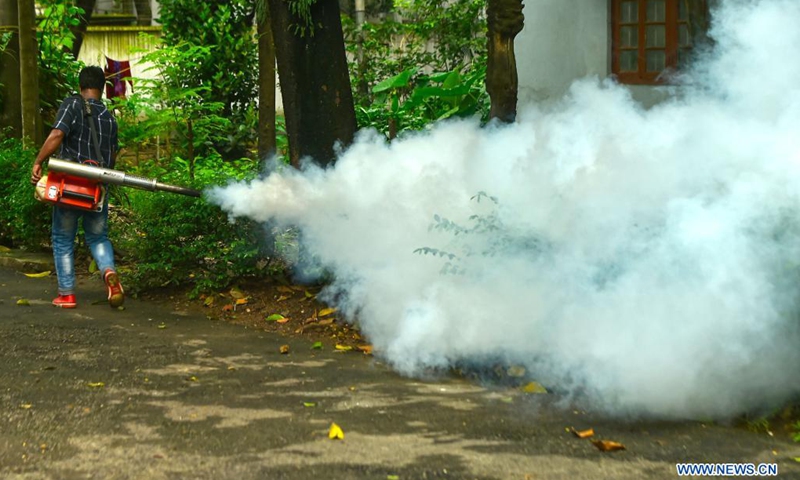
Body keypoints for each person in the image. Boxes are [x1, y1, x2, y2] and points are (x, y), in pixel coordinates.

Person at [30, 66, 124, 309]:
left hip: (69, 186)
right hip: (97, 189)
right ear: (102, 89)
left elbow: (57, 135)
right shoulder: (110, 118)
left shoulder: (73, 105)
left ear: (81, 86)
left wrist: (39, 161)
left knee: (62, 238)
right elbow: (112, 158)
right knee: (99, 237)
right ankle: (108, 271)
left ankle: (67, 294)